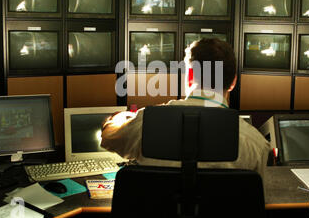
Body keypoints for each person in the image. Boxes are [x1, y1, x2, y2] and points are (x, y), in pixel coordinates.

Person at [101, 38, 271, 179]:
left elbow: (108, 137)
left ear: (189, 75)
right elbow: (255, 203)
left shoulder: (148, 122)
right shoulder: (257, 145)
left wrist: (120, 118)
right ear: (233, 82)